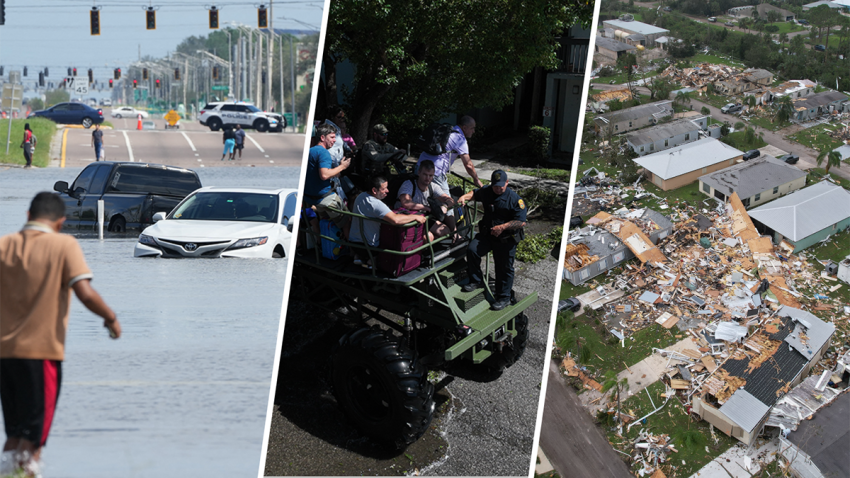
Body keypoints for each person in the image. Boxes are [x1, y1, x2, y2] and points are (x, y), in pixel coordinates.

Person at [0, 192, 121, 476]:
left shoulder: (4, 245)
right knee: (34, 438)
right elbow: (85, 293)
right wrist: (111, 318)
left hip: (4, 355)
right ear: (61, 223)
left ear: (28, 216)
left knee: (15, 433)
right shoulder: (64, 245)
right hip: (40, 354)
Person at [458, 170, 526, 311]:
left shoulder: (515, 200)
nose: (498, 188)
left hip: (505, 240)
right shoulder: (488, 191)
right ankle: (476, 280)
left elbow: (521, 222)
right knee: (472, 250)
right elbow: (475, 193)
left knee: (504, 269)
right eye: (495, 186)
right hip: (487, 235)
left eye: (501, 186)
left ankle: (504, 297)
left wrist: (503, 227)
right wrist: (465, 197)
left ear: (507, 183)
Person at [350, 176, 427, 267]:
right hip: (369, 247)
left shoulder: (361, 196)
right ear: (374, 190)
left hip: (354, 243)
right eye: (384, 189)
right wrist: (415, 217)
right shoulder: (376, 204)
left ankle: (360, 257)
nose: (387, 191)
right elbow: (395, 219)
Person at [304, 123, 351, 237]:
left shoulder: (310, 151)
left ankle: (325, 250)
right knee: (347, 220)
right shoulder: (324, 153)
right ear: (322, 137)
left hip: (311, 199)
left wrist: (335, 172)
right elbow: (324, 175)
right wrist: (342, 167)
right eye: (332, 137)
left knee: (325, 222)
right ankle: (351, 252)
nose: (334, 140)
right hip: (325, 199)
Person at [396, 160, 454, 242]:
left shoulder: (433, 186)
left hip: (422, 218)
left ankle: (425, 246)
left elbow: (450, 200)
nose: (427, 178)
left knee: (445, 231)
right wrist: (427, 208)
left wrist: (445, 205)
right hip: (407, 218)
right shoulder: (408, 184)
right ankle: (420, 250)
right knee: (428, 237)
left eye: (430, 175)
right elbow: (406, 203)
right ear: (419, 172)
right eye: (425, 174)